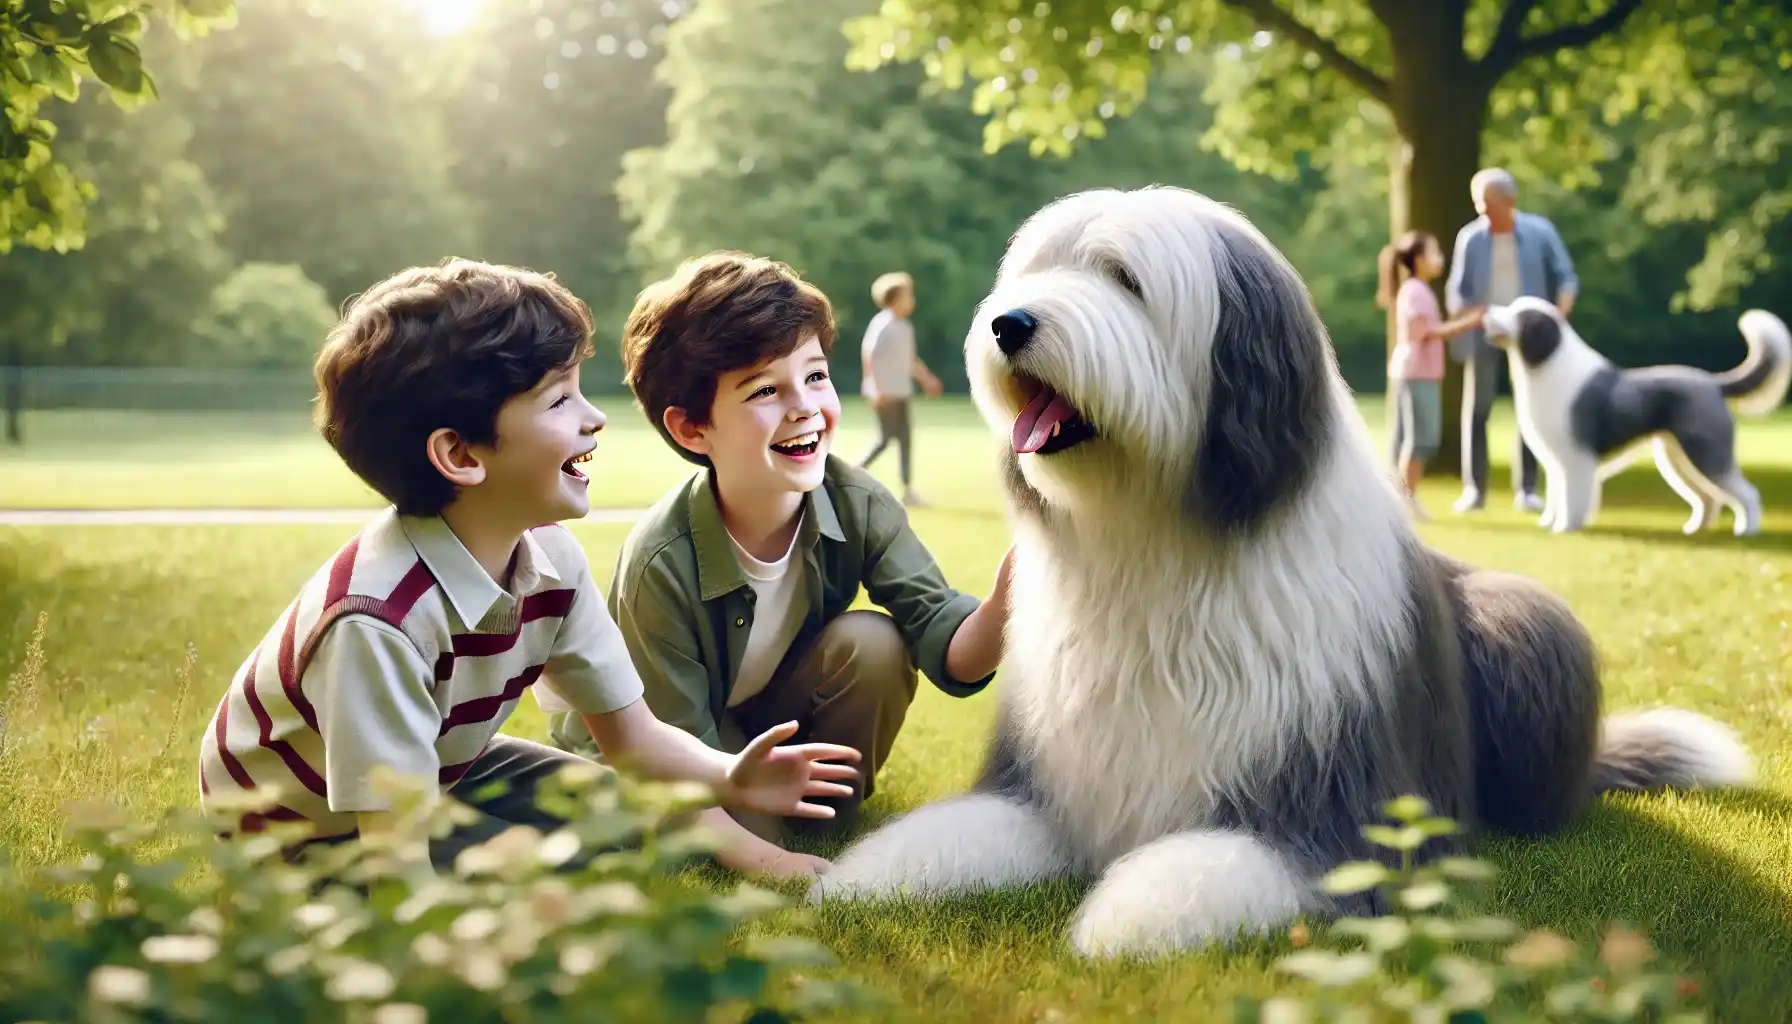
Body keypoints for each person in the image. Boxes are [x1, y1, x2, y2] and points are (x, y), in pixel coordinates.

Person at [196, 258, 861, 882]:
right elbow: (394, 851)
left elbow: (634, 738)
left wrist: (730, 775)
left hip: (446, 769)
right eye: (559, 401)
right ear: (459, 454)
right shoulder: (376, 621)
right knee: (524, 878)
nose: (595, 418)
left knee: (630, 819)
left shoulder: (550, 557)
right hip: (308, 833)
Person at [547, 250, 1013, 871]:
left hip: (773, 723)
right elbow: (668, 750)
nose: (804, 407)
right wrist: (780, 866)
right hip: (684, 745)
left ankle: (821, 808)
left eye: (815, 376)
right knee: (724, 840)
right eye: (765, 389)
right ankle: (763, 824)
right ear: (693, 430)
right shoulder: (661, 560)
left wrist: (1013, 596)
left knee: (873, 641)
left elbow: (948, 640)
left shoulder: (856, 501)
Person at [1444, 167, 1580, 514]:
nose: (1482, 210)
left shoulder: (1539, 232)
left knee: (1531, 410)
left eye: (1487, 203)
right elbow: (1456, 292)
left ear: (1509, 201)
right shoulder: (1471, 238)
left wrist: (1558, 320)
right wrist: (1468, 312)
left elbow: (1566, 278)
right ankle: (1474, 489)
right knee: (1478, 409)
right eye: (1477, 203)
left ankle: (1529, 489)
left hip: (1530, 336)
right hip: (1485, 330)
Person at [1378, 231, 1485, 519]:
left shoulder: (1416, 290)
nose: (1440, 259)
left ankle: (1401, 500)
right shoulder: (1415, 291)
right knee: (1421, 437)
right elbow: (1421, 333)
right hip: (1416, 373)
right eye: (1435, 252)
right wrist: (1469, 323)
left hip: (1414, 372)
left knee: (1408, 437)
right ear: (1420, 259)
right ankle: (1406, 500)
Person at [857, 271, 943, 507]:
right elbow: (869, 356)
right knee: (884, 440)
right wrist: (873, 388)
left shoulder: (904, 327)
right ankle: (852, 475)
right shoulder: (882, 324)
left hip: (901, 392)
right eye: (908, 295)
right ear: (895, 298)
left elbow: (910, 360)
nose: (912, 300)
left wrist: (927, 379)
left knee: (905, 440)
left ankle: (907, 490)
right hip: (885, 394)